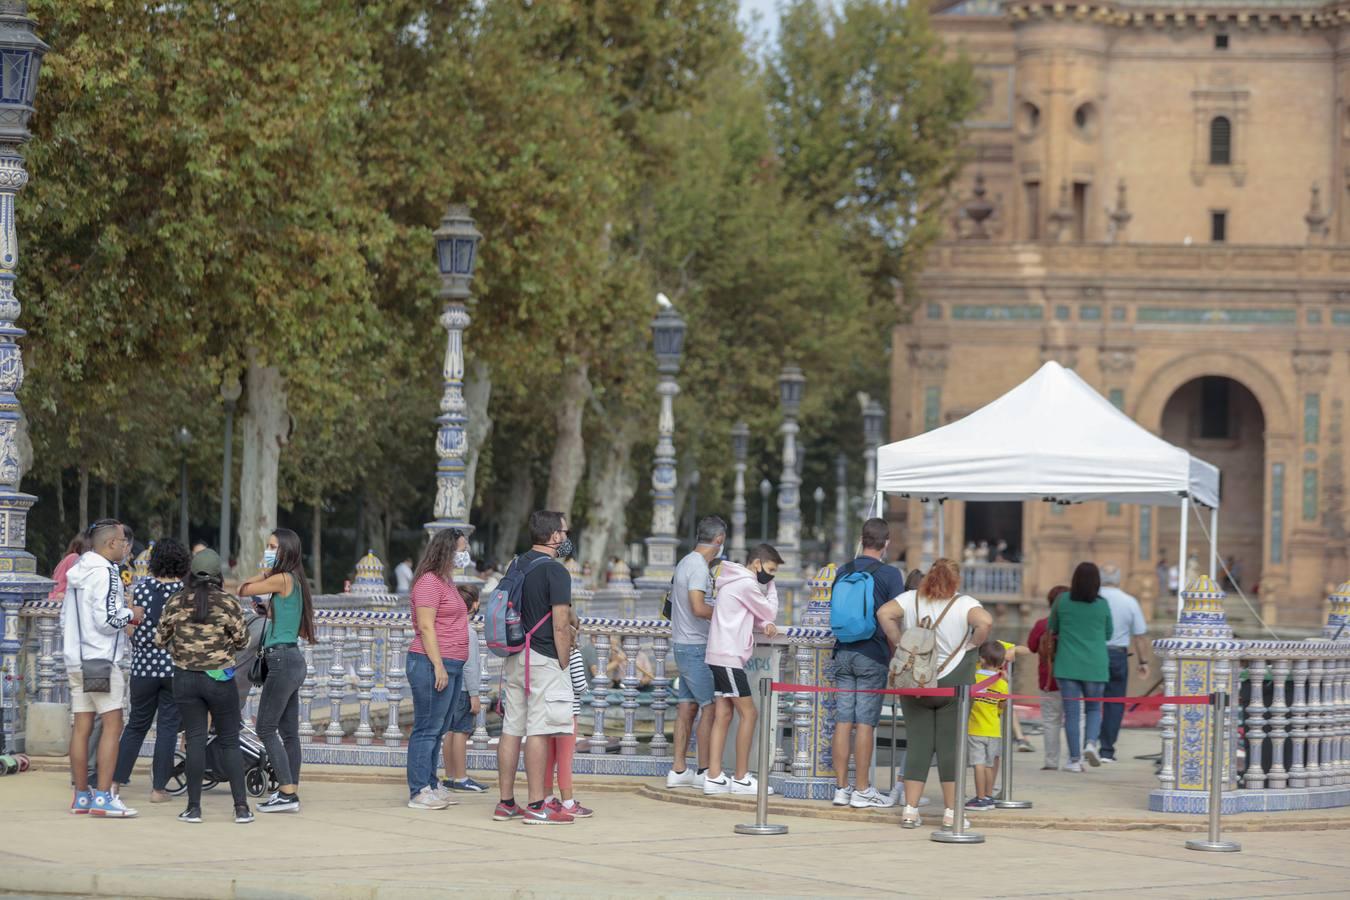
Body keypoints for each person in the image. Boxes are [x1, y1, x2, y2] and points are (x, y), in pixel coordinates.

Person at [876, 558, 993, 830]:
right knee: (949, 747)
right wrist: (971, 644)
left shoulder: (910, 599)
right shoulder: (964, 604)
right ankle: (952, 812)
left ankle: (909, 809)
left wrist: (898, 640)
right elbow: (985, 622)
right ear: (956, 581)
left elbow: (884, 613)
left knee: (918, 744)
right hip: (951, 682)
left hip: (915, 680)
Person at [155, 549, 252, 823]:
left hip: (185, 679)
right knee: (230, 741)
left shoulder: (176, 601)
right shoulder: (228, 603)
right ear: (218, 575)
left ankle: (194, 808)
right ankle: (241, 808)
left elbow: (160, 639)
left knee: (195, 742)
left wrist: (182, 645)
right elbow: (243, 641)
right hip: (219, 679)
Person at [494, 510, 576, 825]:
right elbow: (559, 625)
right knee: (539, 729)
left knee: (511, 729)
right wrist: (564, 661)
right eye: (564, 533)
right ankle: (537, 804)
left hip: (514, 657)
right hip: (542, 658)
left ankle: (505, 802)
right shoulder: (556, 572)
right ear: (554, 536)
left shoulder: (517, 564)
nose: (567, 539)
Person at [61, 519, 139, 817]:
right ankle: (104, 797)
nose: (125, 547)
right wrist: (131, 613)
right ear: (110, 544)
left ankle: (82, 796)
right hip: (99, 659)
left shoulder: (78, 571)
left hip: (76, 658)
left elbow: (66, 617)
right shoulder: (106, 572)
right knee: (112, 724)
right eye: (122, 542)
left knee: (81, 727)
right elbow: (106, 620)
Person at [238, 527, 316, 813]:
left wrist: (264, 572)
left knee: (265, 727)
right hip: (292, 659)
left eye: (272, 547)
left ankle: (286, 794)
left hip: (282, 661)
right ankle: (290, 787)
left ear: (285, 552)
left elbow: (242, 588)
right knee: (289, 732)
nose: (268, 551)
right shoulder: (294, 580)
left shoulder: (282, 578)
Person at [829, 518, 904, 809]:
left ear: (862, 540)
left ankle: (840, 789)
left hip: (843, 652)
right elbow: (895, 617)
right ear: (886, 543)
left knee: (843, 721)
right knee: (865, 725)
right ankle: (862, 789)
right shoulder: (889, 574)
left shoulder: (842, 571)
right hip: (872, 655)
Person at [112, 538, 189, 804]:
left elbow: (130, 627)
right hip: (173, 669)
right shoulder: (185, 592)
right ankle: (158, 789)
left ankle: (115, 784)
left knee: (135, 726)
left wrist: (141, 640)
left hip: (143, 669)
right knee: (167, 729)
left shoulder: (141, 589)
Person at [703, 543, 781, 796]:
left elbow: (754, 612)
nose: (771, 576)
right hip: (729, 657)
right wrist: (770, 587)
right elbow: (768, 609)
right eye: (770, 570)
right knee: (750, 714)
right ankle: (741, 777)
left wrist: (765, 622)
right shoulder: (747, 583)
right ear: (756, 563)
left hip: (719, 655)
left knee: (724, 714)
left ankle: (714, 776)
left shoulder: (734, 581)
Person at [402, 528, 471, 810]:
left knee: (440, 726)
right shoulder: (428, 582)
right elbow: (427, 625)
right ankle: (419, 789)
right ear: (447, 550)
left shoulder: (446, 581)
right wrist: (439, 664)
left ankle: (431, 782)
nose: (465, 554)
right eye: (461, 548)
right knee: (427, 727)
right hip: (430, 663)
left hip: (453, 663)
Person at [666, 516, 726, 790]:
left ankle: (679, 770)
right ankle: (705, 770)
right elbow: (698, 607)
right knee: (709, 708)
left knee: (686, 707)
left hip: (682, 644)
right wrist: (726, 614)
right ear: (719, 540)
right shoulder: (699, 567)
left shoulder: (684, 562)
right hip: (695, 646)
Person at [1050, 563, 1114, 772]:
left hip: (1067, 664)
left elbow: (1053, 628)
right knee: (1094, 708)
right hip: (1095, 665)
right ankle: (1091, 744)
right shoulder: (1102, 604)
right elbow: (1109, 634)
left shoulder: (1062, 601)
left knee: (1072, 712)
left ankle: (1074, 760)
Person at [540, 608, 594, 819]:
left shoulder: (547, 653)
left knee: (548, 758)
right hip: (568, 712)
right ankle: (568, 802)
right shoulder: (574, 654)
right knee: (564, 759)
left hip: (547, 710)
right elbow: (580, 684)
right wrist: (586, 689)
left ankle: (546, 797)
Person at [1097, 564, 1150, 764]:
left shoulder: (1093, 600)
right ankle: (1107, 751)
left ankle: (1087, 744)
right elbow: (1140, 636)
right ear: (1119, 580)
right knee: (1114, 703)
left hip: (1093, 655)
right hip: (1118, 655)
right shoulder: (1129, 601)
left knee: (1090, 701)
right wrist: (1143, 662)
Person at [441, 583, 487, 794]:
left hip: (450, 687)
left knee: (449, 731)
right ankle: (461, 777)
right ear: (475, 604)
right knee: (461, 731)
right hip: (464, 690)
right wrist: (475, 695)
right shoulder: (468, 631)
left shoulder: (450, 627)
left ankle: (450, 775)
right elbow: (469, 665)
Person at [1026, 585, 1068, 771]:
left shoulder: (1042, 624)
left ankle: (1051, 762)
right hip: (1073, 680)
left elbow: (1032, 647)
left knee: (1051, 721)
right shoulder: (1074, 625)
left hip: (1048, 681)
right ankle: (1076, 759)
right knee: (1078, 718)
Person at [964, 640, 1009, 810]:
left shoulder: (974, 677)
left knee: (978, 765)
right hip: (994, 729)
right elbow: (1002, 706)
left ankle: (980, 798)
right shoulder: (1002, 684)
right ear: (1002, 663)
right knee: (990, 765)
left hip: (975, 729)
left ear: (981, 659)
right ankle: (989, 796)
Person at [48, 533, 89, 601]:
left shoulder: (68, 558)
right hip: (59, 596)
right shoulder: (74, 557)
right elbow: (78, 581)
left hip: (56, 595)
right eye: (88, 548)